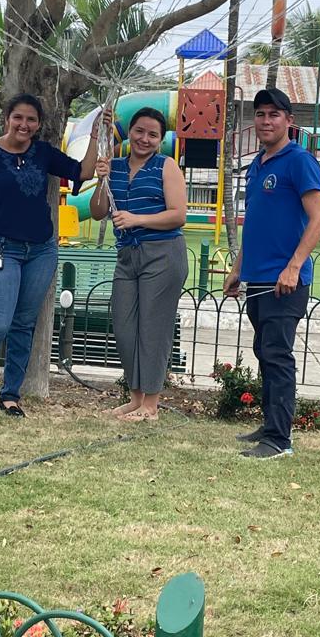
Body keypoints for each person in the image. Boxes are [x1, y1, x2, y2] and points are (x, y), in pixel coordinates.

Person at [0, 93, 101, 418]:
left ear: (38, 124)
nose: (24, 125)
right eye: (18, 118)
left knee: (24, 324)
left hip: (41, 250)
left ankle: (10, 396)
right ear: (8, 119)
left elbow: (82, 171)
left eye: (31, 120)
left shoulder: (43, 153)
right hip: (1, 249)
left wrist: (95, 136)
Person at [223, 88, 320, 459]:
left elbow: (319, 219)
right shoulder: (258, 164)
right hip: (258, 278)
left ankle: (280, 440)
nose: (266, 121)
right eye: (260, 114)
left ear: (289, 121)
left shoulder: (299, 161)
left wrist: (293, 266)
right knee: (264, 352)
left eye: (274, 114)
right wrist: (238, 269)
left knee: (277, 354)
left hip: (285, 281)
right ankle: (270, 425)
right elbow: (256, 222)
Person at [91, 107, 188, 421]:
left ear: (160, 139)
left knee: (153, 328)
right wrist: (101, 179)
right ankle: (135, 399)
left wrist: (137, 219)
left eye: (153, 135)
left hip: (163, 254)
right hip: (128, 256)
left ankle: (151, 403)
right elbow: (97, 211)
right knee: (124, 326)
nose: (145, 139)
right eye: (140, 131)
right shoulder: (115, 166)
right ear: (129, 132)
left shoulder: (166, 166)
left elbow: (178, 215)